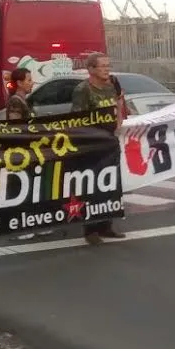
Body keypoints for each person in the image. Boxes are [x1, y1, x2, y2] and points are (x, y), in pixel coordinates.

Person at [71, 52, 126, 245]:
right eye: (102, 66)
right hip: (93, 145)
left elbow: (118, 105)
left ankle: (106, 224)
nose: (106, 69)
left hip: (110, 143)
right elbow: (77, 120)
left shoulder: (112, 86)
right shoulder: (83, 90)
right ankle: (91, 228)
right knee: (93, 186)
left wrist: (118, 125)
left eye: (108, 65)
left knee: (111, 185)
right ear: (91, 69)